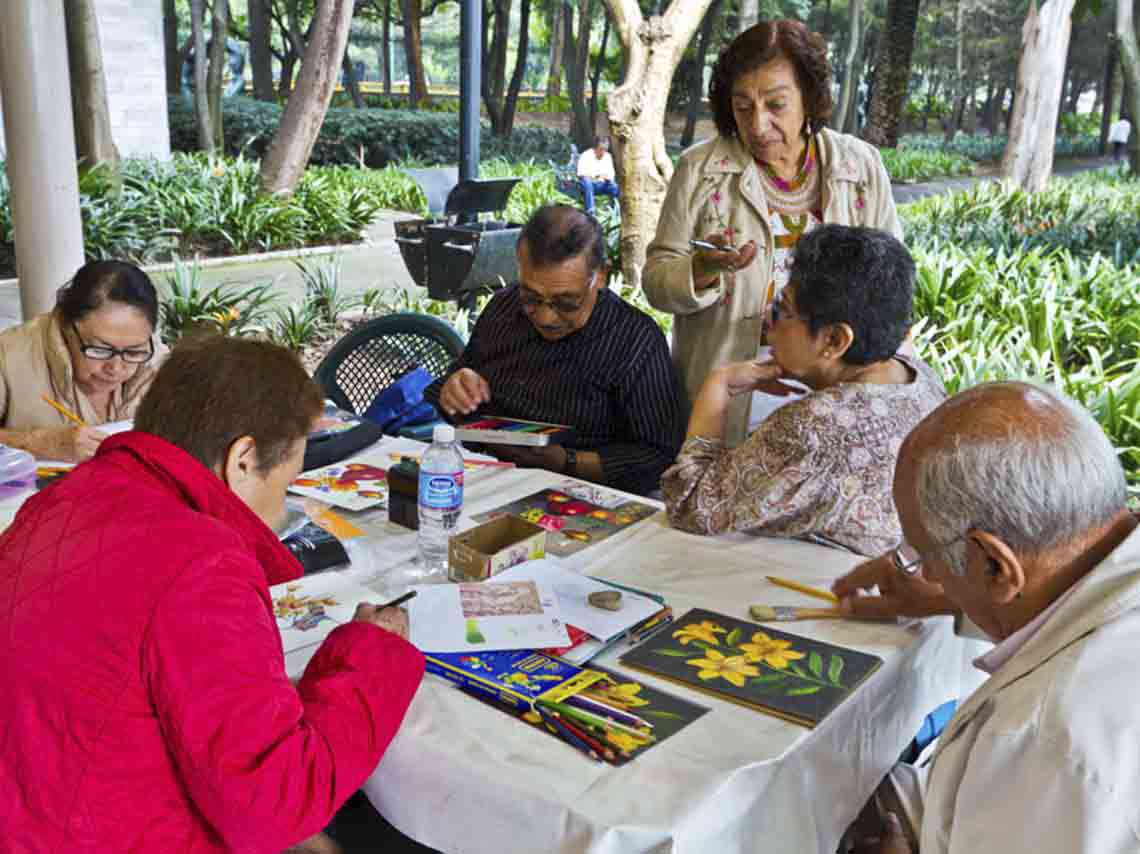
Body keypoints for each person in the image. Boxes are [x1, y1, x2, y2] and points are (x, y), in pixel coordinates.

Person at [0, 335, 425, 851]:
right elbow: (276, 804)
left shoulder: (60, 498)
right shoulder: (201, 563)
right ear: (242, 459)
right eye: (287, 479)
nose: (282, 505)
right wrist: (369, 652)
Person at [838, 382, 1140, 854]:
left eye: (923, 555)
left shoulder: (1043, 742)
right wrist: (948, 598)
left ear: (996, 565)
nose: (928, 574)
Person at [643, 20, 902, 446]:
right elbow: (656, 280)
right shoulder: (700, 170)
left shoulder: (858, 167)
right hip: (730, 391)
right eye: (743, 108)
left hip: (837, 398)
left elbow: (890, 287)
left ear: (809, 99)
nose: (759, 125)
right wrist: (700, 271)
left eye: (776, 104)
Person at [662, 226, 943, 557]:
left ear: (835, 341)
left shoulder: (812, 427)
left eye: (783, 309)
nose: (767, 318)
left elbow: (691, 506)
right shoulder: (920, 378)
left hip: (826, 593)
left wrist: (718, 386)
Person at [424, 204, 685, 497]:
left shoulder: (635, 340)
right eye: (531, 297)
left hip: (587, 495)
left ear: (600, 275)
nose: (546, 318)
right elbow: (451, 393)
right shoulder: (502, 308)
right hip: (490, 478)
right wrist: (456, 387)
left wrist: (569, 462)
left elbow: (658, 456)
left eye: (567, 302)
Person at [0, 259, 165, 461]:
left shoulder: (157, 361)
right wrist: (35, 442)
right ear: (66, 326)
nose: (115, 368)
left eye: (133, 352)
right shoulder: (9, 356)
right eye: (101, 349)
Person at [576, 136, 620, 216]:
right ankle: (591, 211)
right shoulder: (586, 155)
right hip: (589, 184)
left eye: (605, 149)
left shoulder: (608, 156)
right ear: (595, 148)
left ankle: (616, 210)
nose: (603, 152)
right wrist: (596, 176)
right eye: (601, 149)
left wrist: (608, 178)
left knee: (615, 186)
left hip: (603, 184)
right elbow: (581, 174)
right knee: (587, 182)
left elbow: (611, 174)